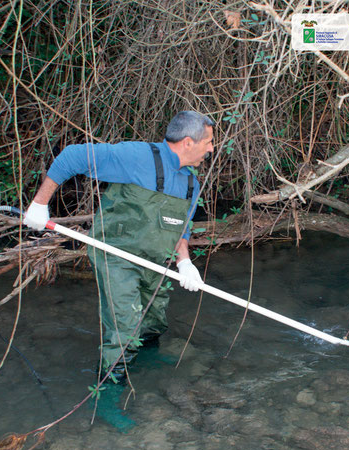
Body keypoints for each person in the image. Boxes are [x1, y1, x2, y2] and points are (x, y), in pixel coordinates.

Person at [23, 111, 214, 384]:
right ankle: (108, 393)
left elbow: (180, 227)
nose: (211, 148)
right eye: (207, 141)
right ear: (187, 142)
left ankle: (145, 360)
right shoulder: (137, 157)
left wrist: (185, 262)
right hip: (116, 254)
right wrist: (40, 204)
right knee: (125, 328)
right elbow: (72, 157)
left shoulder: (190, 183)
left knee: (154, 320)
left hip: (156, 259)